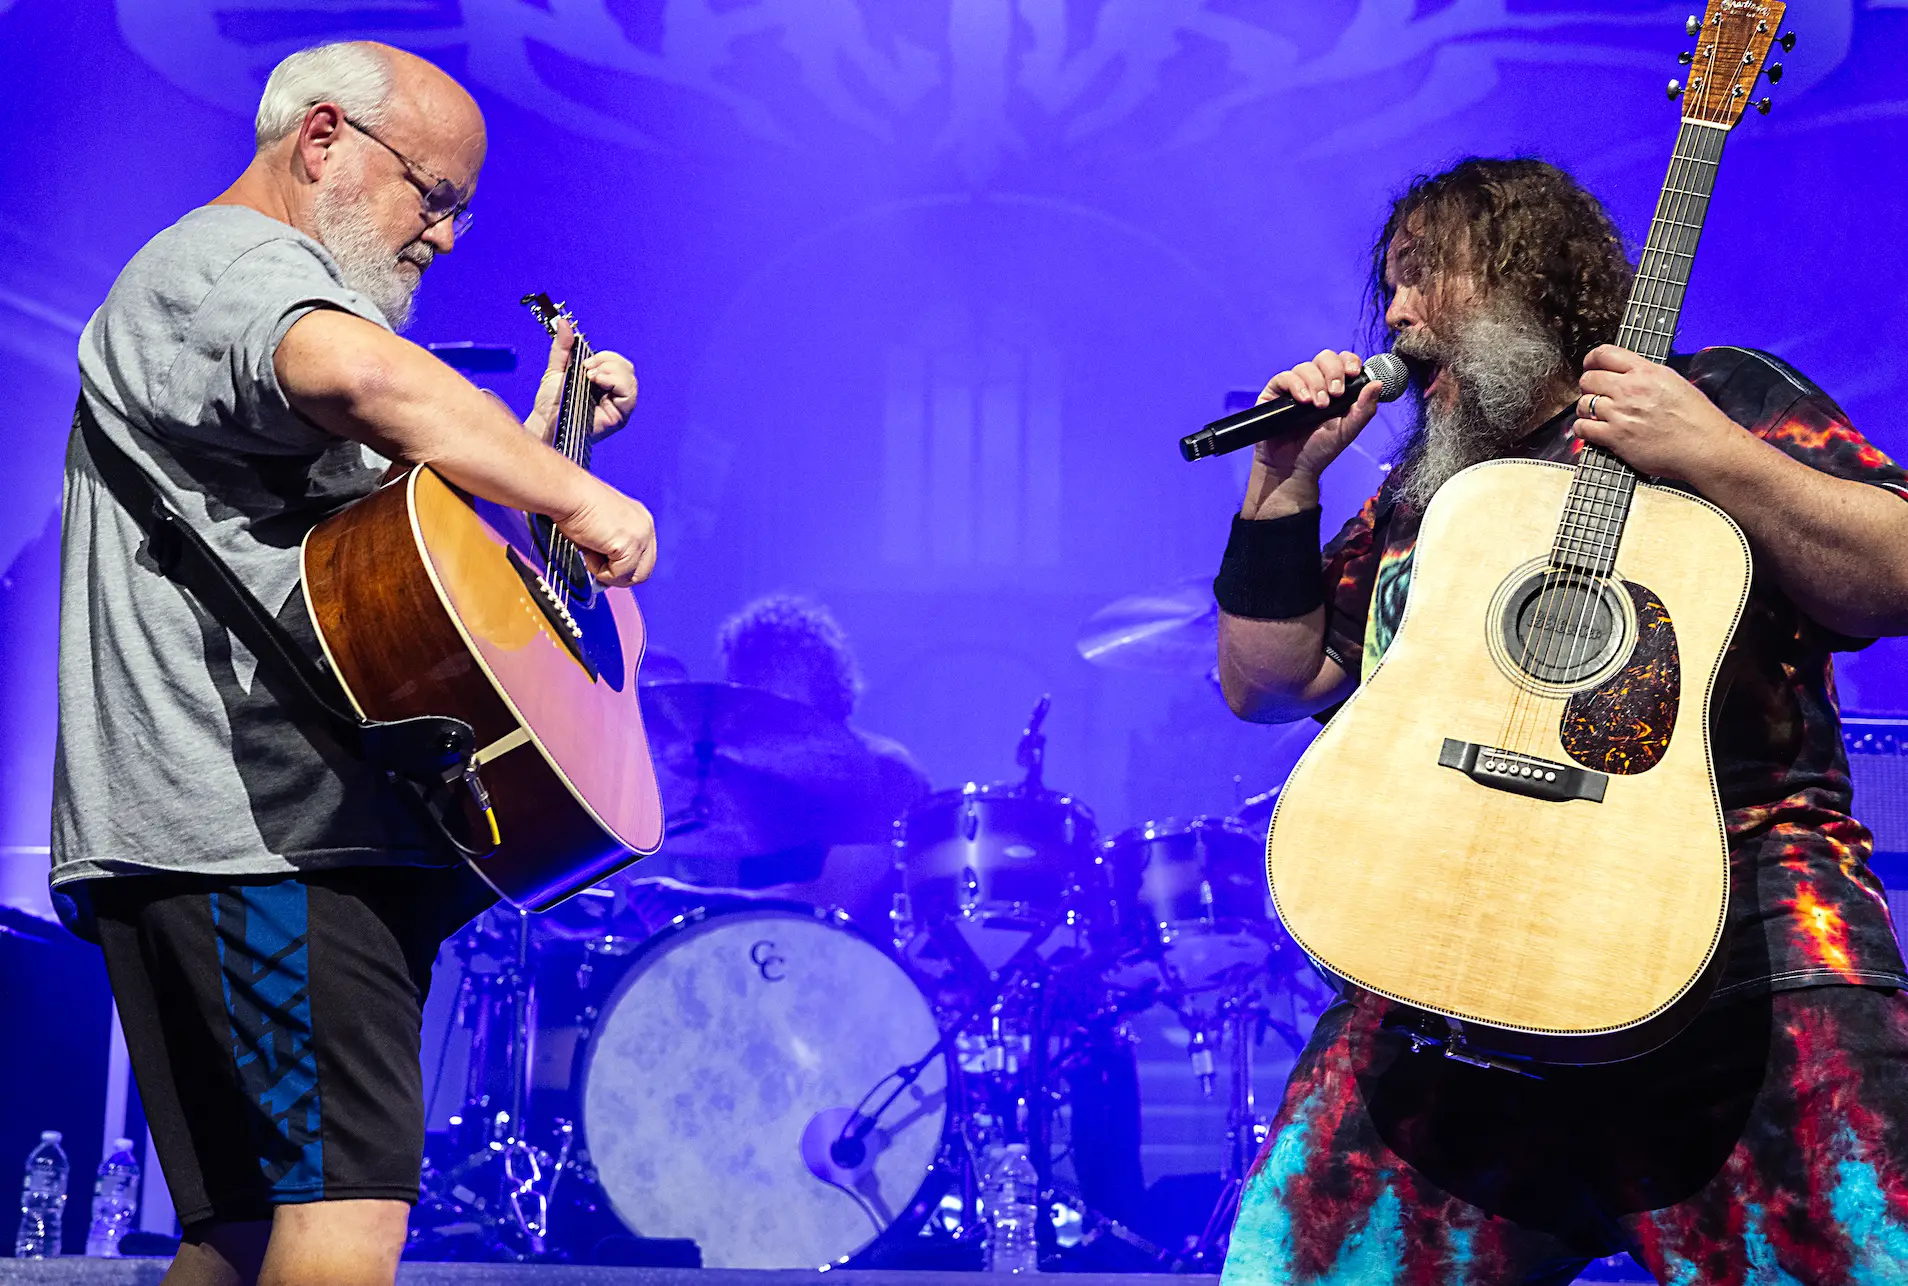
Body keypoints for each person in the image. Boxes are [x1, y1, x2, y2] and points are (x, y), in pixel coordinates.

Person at [1214, 159, 1908, 1281]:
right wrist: (1282, 484)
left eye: (1423, 275)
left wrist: (1716, 455)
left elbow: (1896, 570)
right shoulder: (1429, 492)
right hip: (1449, 961)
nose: (1394, 313)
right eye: (1389, 286)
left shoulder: (1721, 394)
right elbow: (1268, 680)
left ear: (1530, 277)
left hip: (1740, 954)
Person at [51, 41, 655, 1286]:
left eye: (462, 213)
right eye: (432, 195)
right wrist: (573, 495)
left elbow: (392, 564)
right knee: (348, 1210)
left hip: (249, 838)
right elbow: (358, 373)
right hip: (256, 837)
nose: (444, 237)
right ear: (322, 137)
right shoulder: (234, 265)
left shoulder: (250, 307)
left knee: (247, 1229)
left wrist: (545, 450)